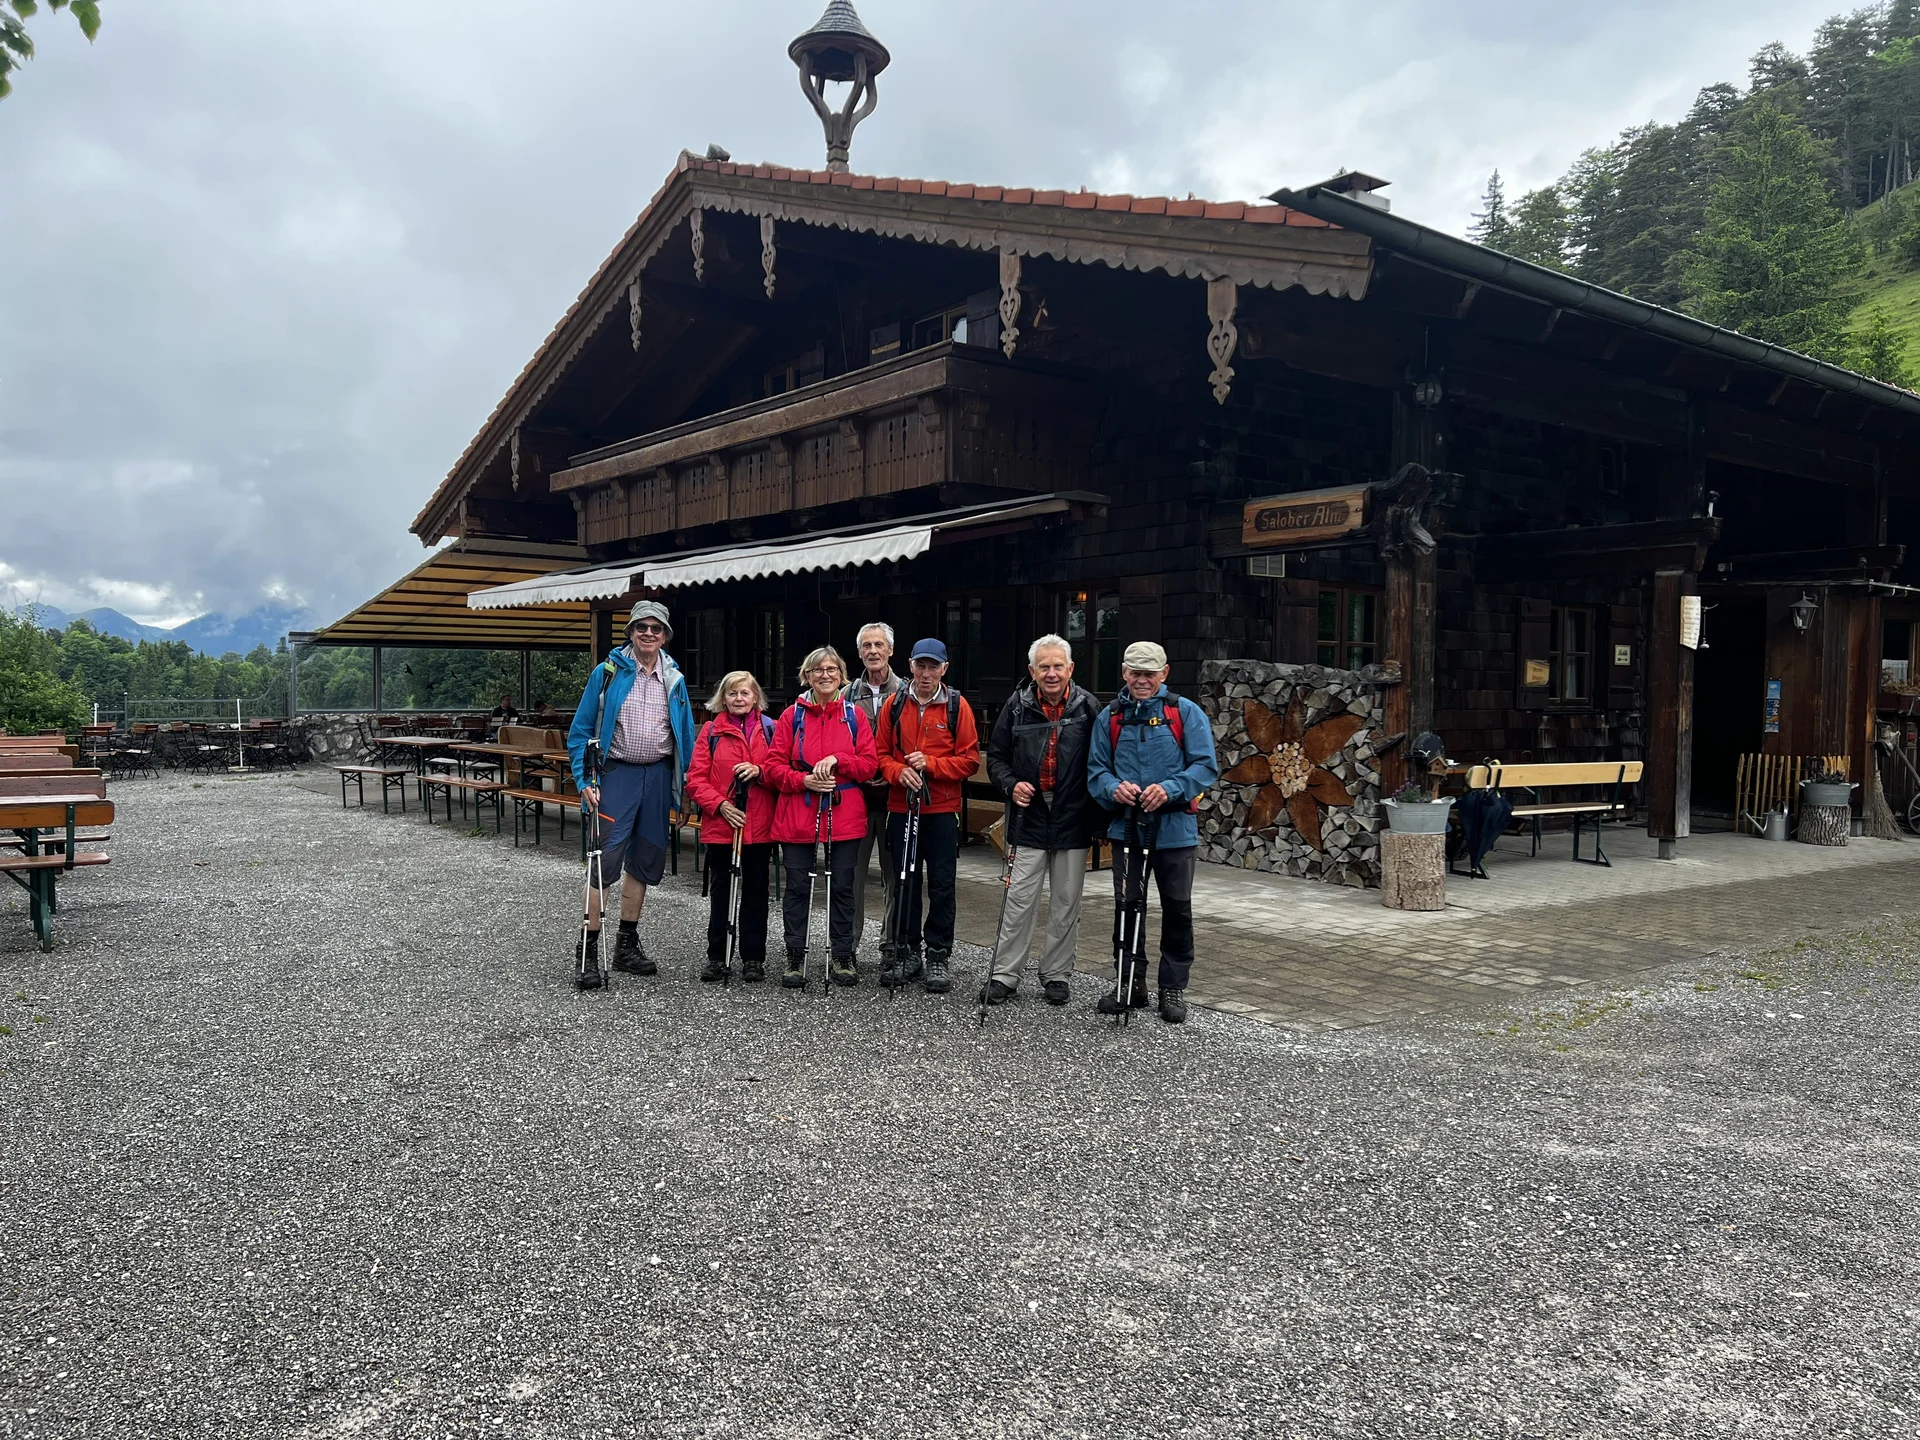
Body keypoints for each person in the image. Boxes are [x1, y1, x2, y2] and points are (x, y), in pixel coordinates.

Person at [1086, 641, 1219, 1024]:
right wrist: (1114, 788)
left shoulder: (1184, 713)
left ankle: (1172, 987)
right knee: (1128, 907)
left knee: (1177, 908)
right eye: (1135, 673)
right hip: (1126, 828)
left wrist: (1171, 788)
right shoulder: (1110, 716)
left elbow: (1205, 767)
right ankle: (1130, 983)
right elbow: (1096, 771)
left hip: (1175, 829)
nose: (1142, 680)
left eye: (1150, 673)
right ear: (1124, 673)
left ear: (1164, 673)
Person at [566, 600, 698, 985]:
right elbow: (580, 732)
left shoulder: (675, 679)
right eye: (642, 627)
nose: (649, 634)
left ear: (665, 636)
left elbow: (685, 737)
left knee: (644, 860)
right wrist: (585, 780)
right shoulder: (607, 673)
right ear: (631, 632)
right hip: (616, 775)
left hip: (657, 777)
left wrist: (686, 788)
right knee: (602, 864)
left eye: (657, 629)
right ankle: (589, 953)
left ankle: (626, 944)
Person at [981, 634, 1102, 1008]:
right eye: (1044, 667)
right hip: (1028, 817)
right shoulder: (1016, 707)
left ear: (1071, 669)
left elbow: (1102, 762)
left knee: (1067, 902)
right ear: (1032, 670)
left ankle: (1057, 974)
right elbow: (996, 758)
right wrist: (1011, 784)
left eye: (1058, 666)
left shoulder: (1088, 708)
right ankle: (1004, 975)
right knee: (1018, 900)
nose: (1051, 673)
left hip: (1072, 817)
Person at [765, 646, 877, 988]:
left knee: (843, 886)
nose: (825, 675)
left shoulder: (855, 716)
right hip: (799, 810)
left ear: (841, 675)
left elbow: (870, 765)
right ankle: (795, 954)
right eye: (817, 670)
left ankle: (843, 954)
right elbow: (772, 768)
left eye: (831, 669)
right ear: (807, 675)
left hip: (844, 810)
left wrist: (839, 760)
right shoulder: (791, 717)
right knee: (798, 887)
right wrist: (804, 780)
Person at [875, 638, 981, 995]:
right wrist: (897, 772)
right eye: (920, 665)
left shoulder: (956, 706)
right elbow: (879, 754)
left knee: (941, 884)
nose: (925, 673)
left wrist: (931, 765)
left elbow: (969, 760)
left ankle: (938, 955)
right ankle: (907, 952)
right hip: (901, 807)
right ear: (909, 665)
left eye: (932, 666)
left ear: (944, 669)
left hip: (942, 810)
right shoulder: (894, 704)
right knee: (905, 880)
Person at [684, 670, 776, 985]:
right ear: (724, 698)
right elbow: (695, 779)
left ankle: (753, 957)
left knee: (755, 893)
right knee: (722, 893)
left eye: (745, 693)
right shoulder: (711, 732)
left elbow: (780, 771)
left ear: (755, 697)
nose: (739, 699)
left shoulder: (770, 730)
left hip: (760, 825)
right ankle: (717, 957)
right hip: (722, 827)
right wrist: (721, 805)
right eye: (733, 693)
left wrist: (761, 771)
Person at [843, 622, 906, 956]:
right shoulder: (847, 695)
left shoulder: (907, 692)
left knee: (894, 875)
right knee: (851, 875)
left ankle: (891, 944)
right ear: (859, 653)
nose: (873, 651)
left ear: (890, 650)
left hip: (894, 796)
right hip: (856, 797)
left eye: (879, 645)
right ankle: (848, 945)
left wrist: (887, 769)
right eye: (866, 646)